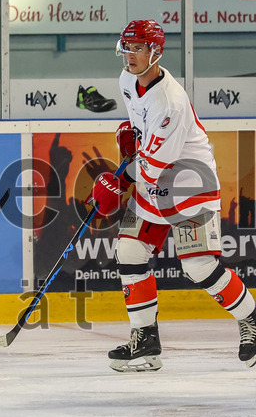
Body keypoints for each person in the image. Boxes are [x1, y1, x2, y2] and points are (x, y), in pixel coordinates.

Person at [91, 20, 256, 372]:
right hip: (154, 180)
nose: (130, 55)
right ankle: (145, 342)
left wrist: (118, 183)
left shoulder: (171, 102)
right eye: (127, 47)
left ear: (156, 52)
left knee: (199, 267)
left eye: (138, 48)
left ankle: (251, 318)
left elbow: (153, 166)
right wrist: (131, 135)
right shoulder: (126, 80)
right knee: (129, 250)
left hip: (188, 184)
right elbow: (142, 137)